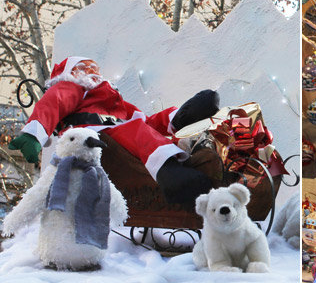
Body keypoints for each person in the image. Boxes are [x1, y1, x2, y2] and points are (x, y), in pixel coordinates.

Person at [9, 56, 220, 205]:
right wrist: (33, 135)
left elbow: (146, 122)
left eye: (95, 69)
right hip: (93, 139)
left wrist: (179, 116)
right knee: (137, 131)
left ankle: (189, 157)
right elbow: (53, 102)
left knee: (147, 133)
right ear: (71, 74)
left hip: (124, 139)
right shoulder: (74, 89)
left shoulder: (116, 104)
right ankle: (172, 175)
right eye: (84, 68)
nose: (93, 72)